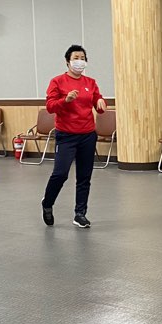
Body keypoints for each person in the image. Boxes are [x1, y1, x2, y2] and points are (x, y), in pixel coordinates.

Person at [41, 44, 107, 229]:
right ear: (67, 61)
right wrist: (66, 100)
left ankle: (80, 214)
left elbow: (98, 103)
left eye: (82, 58)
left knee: (84, 177)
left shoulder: (90, 82)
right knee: (60, 174)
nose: (79, 61)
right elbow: (50, 107)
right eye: (76, 58)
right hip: (66, 135)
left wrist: (101, 103)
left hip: (87, 135)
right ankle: (47, 203)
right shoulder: (57, 81)